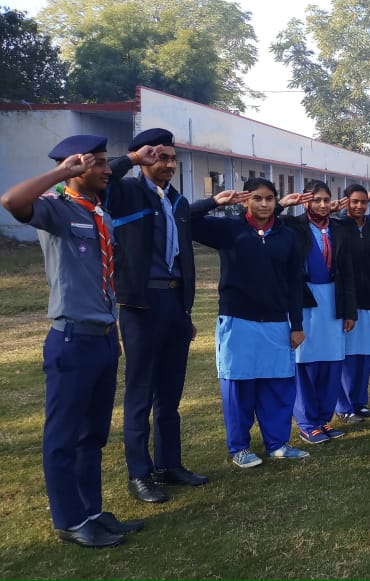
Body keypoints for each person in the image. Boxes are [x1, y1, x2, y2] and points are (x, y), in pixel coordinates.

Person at [1, 135, 143, 548]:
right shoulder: (56, 210)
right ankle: (68, 519)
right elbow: (11, 201)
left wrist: (112, 332)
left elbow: (103, 281)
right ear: (75, 167)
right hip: (71, 340)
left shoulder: (98, 211)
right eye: (97, 163)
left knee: (93, 435)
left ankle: (91, 511)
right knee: (63, 436)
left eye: (104, 162)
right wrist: (63, 172)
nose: (105, 169)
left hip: (101, 339)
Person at [102, 128, 206, 505]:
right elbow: (103, 180)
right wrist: (129, 160)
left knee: (170, 393)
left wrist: (187, 312)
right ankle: (139, 473)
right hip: (141, 307)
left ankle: (169, 464)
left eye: (171, 158)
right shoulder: (126, 192)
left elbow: (184, 241)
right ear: (143, 157)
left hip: (175, 306)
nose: (167, 164)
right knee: (140, 392)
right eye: (158, 156)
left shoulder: (176, 200)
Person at [191, 178, 309, 467]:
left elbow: (294, 283)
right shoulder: (229, 229)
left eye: (270, 199)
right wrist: (213, 203)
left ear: (276, 201)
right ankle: (240, 448)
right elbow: (185, 218)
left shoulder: (286, 235)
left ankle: (277, 443)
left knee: (277, 385)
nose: (264, 204)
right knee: (238, 386)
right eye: (257, 198)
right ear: (246, 200)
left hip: (275, 321)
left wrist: (296, 324)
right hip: (237, 319)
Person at [278, 181, 356, 443]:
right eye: (316, 200)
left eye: (326, 200)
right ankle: (306, 421)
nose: (322, 205)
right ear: (306, 202)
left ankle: (324, 419)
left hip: (333, 300)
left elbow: (347, 271)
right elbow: (267, 220)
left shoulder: (338, 229)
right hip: (305, 299)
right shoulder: (293, 226)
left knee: (332, 362)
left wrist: (350, 311)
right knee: (306, 362)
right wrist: (282, 205)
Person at [334, 185, 370, 421]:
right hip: (347, 303)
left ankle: (360, 403)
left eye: (363, 202)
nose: (358, 206)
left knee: (364, 356)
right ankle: (344, 407)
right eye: (354, 201)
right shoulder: (337, 228)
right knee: (346, 356)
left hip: (369, 302)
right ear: (346, 202)